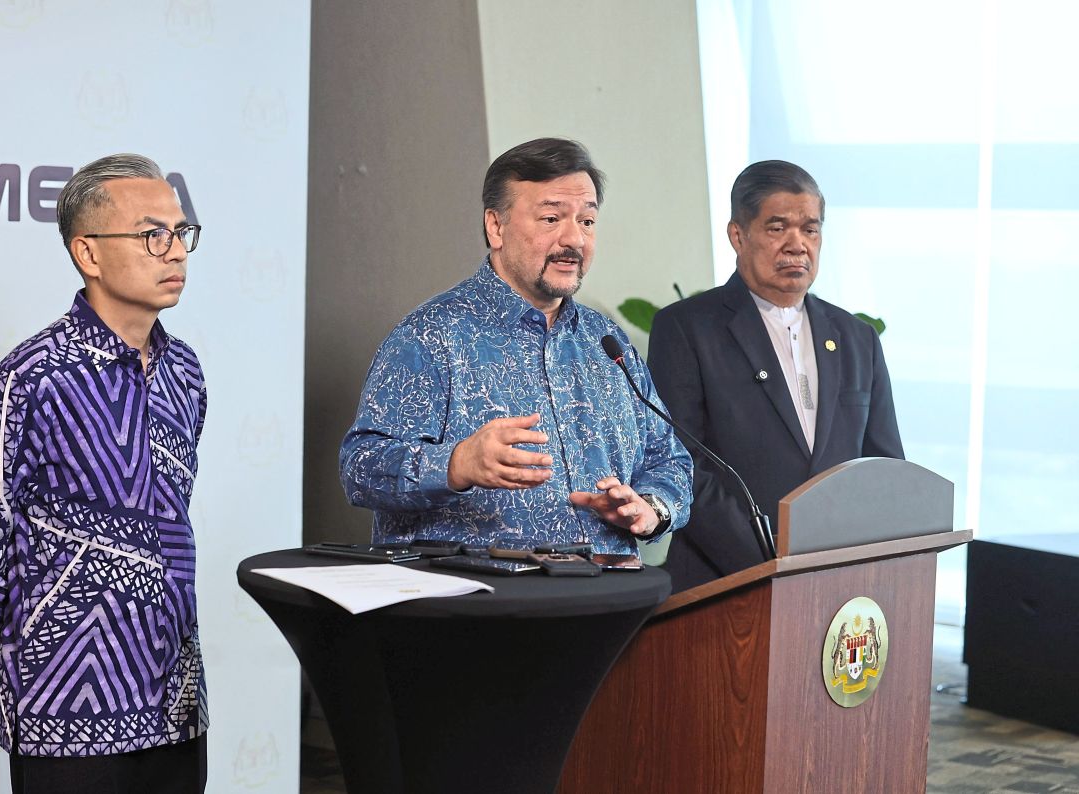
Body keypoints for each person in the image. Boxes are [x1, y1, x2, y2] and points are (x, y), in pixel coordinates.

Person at [0, 154, 208, 793]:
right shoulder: (29, 379)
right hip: (64, 709)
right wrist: (38, 642)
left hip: (176, 700)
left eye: (180, 233)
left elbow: (169, 516)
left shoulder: (186, 373)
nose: (175, 252)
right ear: (87, 252)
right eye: (152, 235)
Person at [340, 138, 693, 553]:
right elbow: (360, 469)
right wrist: (456, 465)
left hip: (606, 601)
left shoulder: (608, 345)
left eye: (587, 222)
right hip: (482, 605)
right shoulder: (431, 336)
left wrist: (649, 507)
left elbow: (671, 461)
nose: (574, 240)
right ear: (496, 226)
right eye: (550, 218)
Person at [648, 160, 904, 591]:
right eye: (777, 227)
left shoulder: (857, 338)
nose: (797, 244)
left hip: (836, 585)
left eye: (810, 229)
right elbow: (682, 463)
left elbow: (883, 467)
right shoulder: (688, 328)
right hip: (723, 582)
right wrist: (770, 559)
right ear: (738, 235)